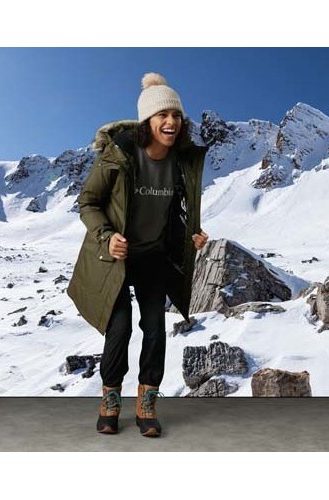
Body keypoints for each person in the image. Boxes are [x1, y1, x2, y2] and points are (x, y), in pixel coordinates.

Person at [67, 72, 209, 437]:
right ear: (148, 120)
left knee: (155, 330)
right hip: (115, 256)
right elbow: (88, 202)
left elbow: (172, 214)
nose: (171, 122)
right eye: (163, 115)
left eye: (176, 116)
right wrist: (107, 236)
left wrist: (188, 237)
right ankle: (110, 400)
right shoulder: (119, 156)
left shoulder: (180, 162)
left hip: (152, 256)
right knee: (119, 328)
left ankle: (147, 402)